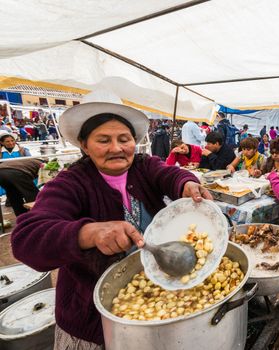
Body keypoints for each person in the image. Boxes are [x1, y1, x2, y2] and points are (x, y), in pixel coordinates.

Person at [10, 93, 212, 349]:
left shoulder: (142, 166)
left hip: (156, 298)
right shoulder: (70, 184)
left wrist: (186, 184)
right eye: (103, 140)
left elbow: (168, 174)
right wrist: (89, 233)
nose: (116, 148)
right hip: (93, 317)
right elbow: (26, 239)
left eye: (124, 139)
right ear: (84, 145)